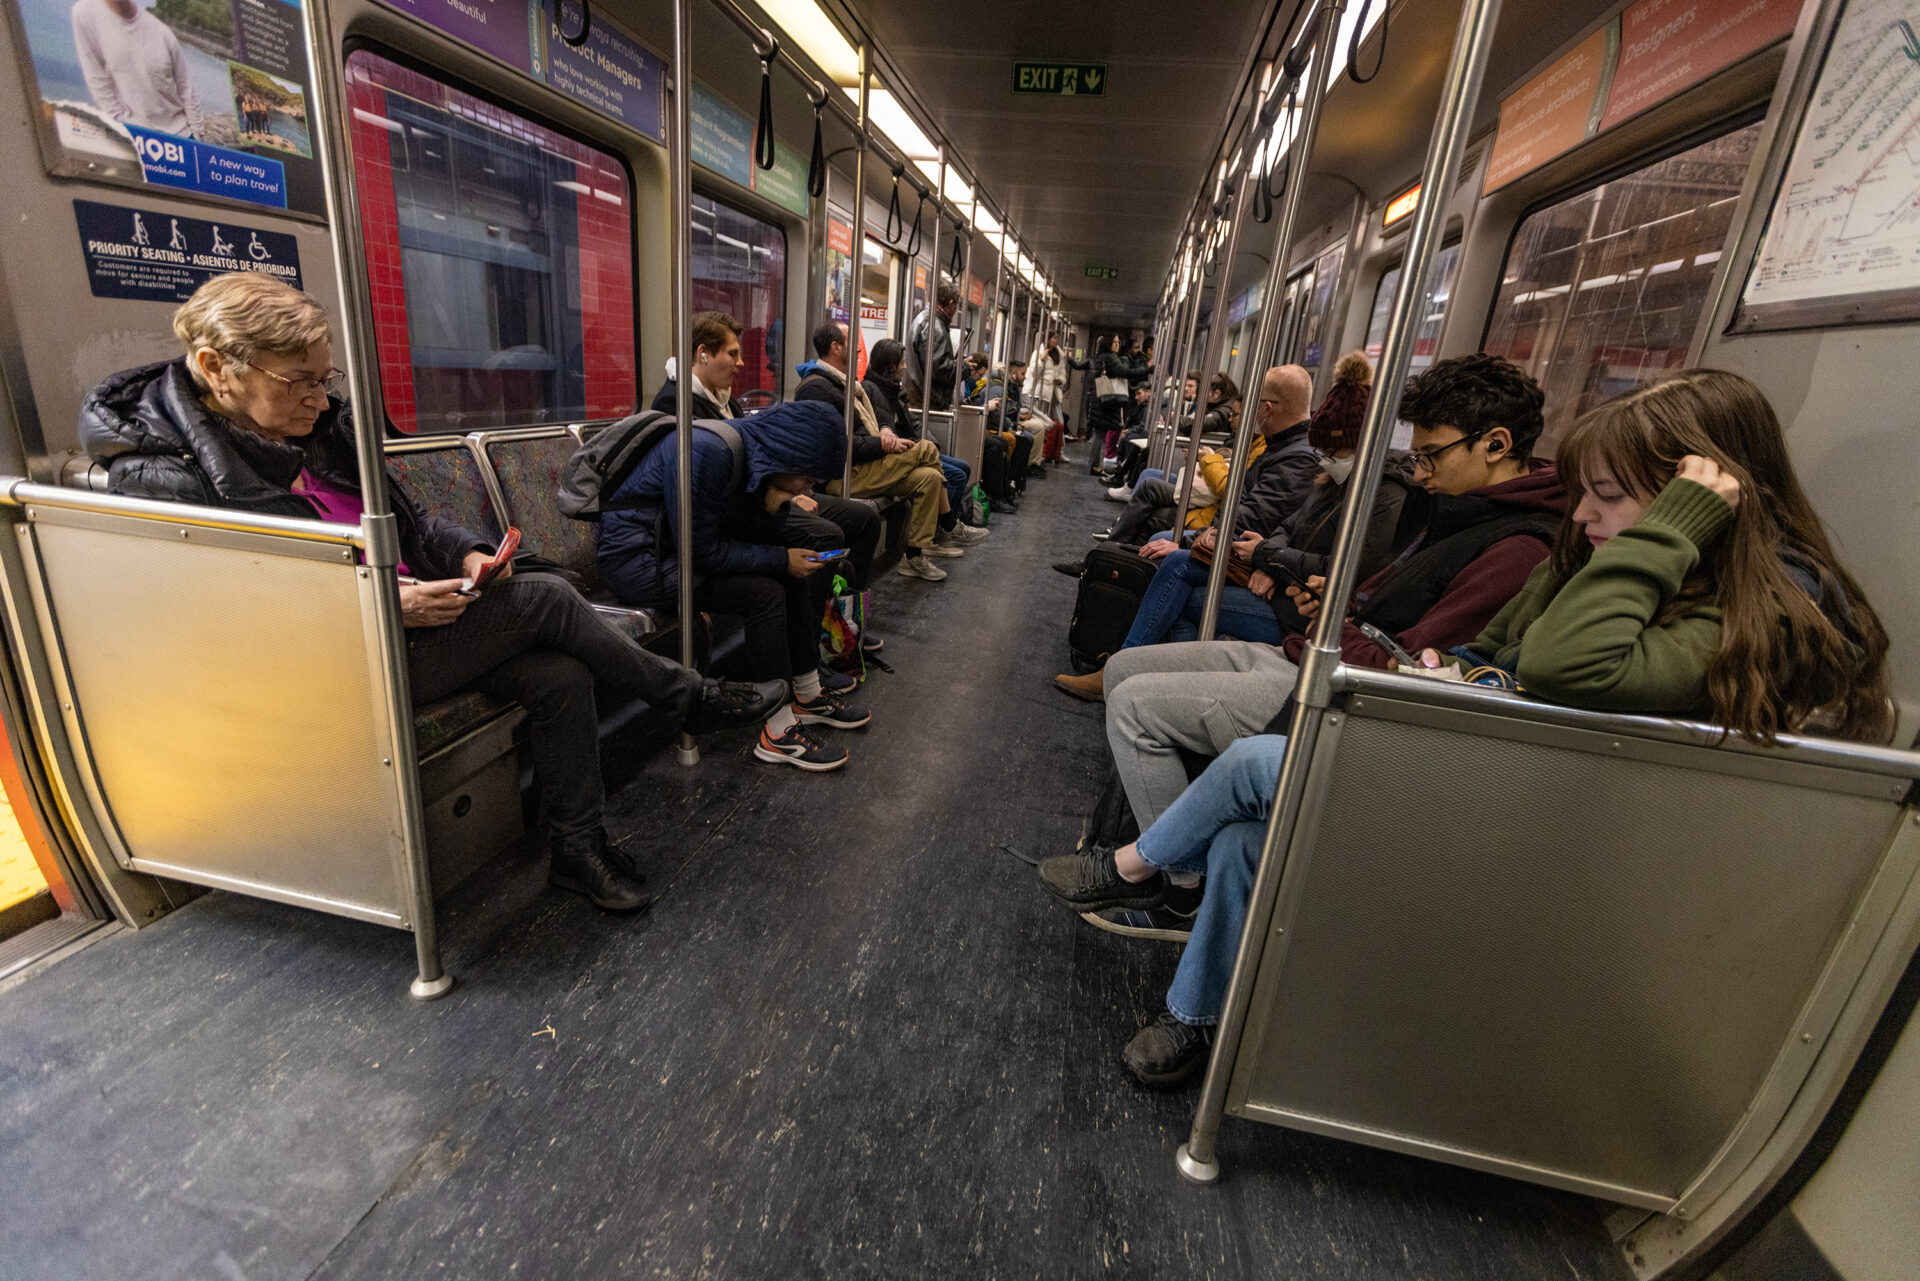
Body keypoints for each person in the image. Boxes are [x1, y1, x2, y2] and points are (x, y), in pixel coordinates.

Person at [1039, 367, 1894, 1087]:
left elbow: (1568, 667)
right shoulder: (1591, 564)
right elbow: (1501, 647)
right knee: (1239, 842)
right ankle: (1193, 1012)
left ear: (1694, 507)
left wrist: (1662, 536)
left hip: (1558, 841)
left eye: (1608, 499)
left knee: (1264, 762)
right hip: (1502, 770)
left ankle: (1140, 866)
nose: (1585, 518)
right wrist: (1450, 672)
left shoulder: (1757, 608)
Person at [78, 273, 782, 914]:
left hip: (406, 628)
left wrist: (468, 553)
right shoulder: (162, 479)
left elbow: (414, 523)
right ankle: (685, 695)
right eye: (299, 382)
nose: (320, 400)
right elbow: (238, 622)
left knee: (560, 672)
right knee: (544, 600)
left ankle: (577, 846)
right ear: (213, 369)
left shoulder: (316, 428)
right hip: (330, 662)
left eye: (325, 381)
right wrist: (389, 605)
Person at [1090, 354, 1567, 832]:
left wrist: (1332, 615)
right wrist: (1334, 602)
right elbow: (1374, 590)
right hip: (1315, 648)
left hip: (1339, 687)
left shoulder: (1515, 550)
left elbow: (1415, 667)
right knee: (1124, 672)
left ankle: (1170, 882)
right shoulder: (1454, 511)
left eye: (1432, 455)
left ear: (1496, 444)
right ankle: (1124, 824)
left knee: (1137, 698)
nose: (1421, 472)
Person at [597, 400, 874, 773]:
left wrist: (774, 510)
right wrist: (779, 556)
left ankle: (807, 695)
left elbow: (736, 533)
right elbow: (702, 553)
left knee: (788, 575)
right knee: (765, 592)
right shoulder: (706, 453)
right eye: (807, 478)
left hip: (671, 551)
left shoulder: (751, 459)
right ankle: (777, 733)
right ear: (788, 456)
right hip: (637, 563)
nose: (809, 487)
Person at [794, 320, 961, 580]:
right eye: (853, 344)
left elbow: (880, 415)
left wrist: (885, 430)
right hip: (846, 475)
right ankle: (950, 524)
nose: (860, 351)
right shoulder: (817, 389)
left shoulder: (848, 384)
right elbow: (838, 446)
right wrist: (882, 444)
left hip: (868, 465)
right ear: (836, 348)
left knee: (929, 478)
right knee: (927, 449)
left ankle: (914, 557)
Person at [865, 338, 986, 549]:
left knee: (963, 467)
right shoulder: (872, 391)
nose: (905, 367)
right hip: (897, 451)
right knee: (954, 476)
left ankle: (944, 529)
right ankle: (939, 533)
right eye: (902, 363)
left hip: (910, 444)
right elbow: (883, 430)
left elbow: (912, 423)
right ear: (891, 365)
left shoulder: (894, 390)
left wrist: (929, 443)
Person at [1101, 372, 1248, 534]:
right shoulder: (1224, 418)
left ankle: (1121, 526)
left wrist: (1204, 456)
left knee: (1150, 485)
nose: (1230, 418)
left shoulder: (1223, 413)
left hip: (1205, 485)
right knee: (1149, 471)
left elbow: (1198, 425)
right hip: (1203, 478)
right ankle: (1123, 514)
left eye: (1235, 415)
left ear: (1217, 393)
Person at [72, 0, 204, 139]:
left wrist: (196, 135)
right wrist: (120, 123)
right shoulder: (84, 13)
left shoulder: (162, 33)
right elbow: (95, 75)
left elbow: (186, 88)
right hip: (133, 133)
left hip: (179, 134)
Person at [650, 311, 747, 420]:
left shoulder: (724, 398)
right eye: (732, 354)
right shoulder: (674, 404)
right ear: (703, 354)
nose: (740, 362)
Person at [1073, 335, 1131, 469]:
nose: (1117, 345)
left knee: (1099, 435)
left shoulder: (1101, 359)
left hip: (1101, 402)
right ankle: (1094, 466)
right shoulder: (1106, 360)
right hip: (1103, 403)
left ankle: (1095, 464)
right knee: (1099, 435)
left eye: (1118, 342)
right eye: (1114, 342)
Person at [905, 280, 960, 411]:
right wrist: (964, 367)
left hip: (918, 398)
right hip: (925, 403)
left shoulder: (925, 319)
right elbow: (938, 370)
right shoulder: (934, 326)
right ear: (951, 303)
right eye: (956, 306)